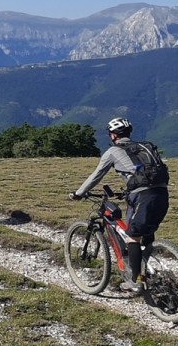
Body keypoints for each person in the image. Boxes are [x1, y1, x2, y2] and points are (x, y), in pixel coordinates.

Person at [70, 117, 169, 293]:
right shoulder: (144, 147)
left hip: (142, 196)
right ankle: (145, 264)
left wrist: (78, 193)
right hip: (161, 193)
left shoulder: (113, 152)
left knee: (132, 237)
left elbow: (96, 176)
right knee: (144, 231)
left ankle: (135, 281)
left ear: (113, 135)